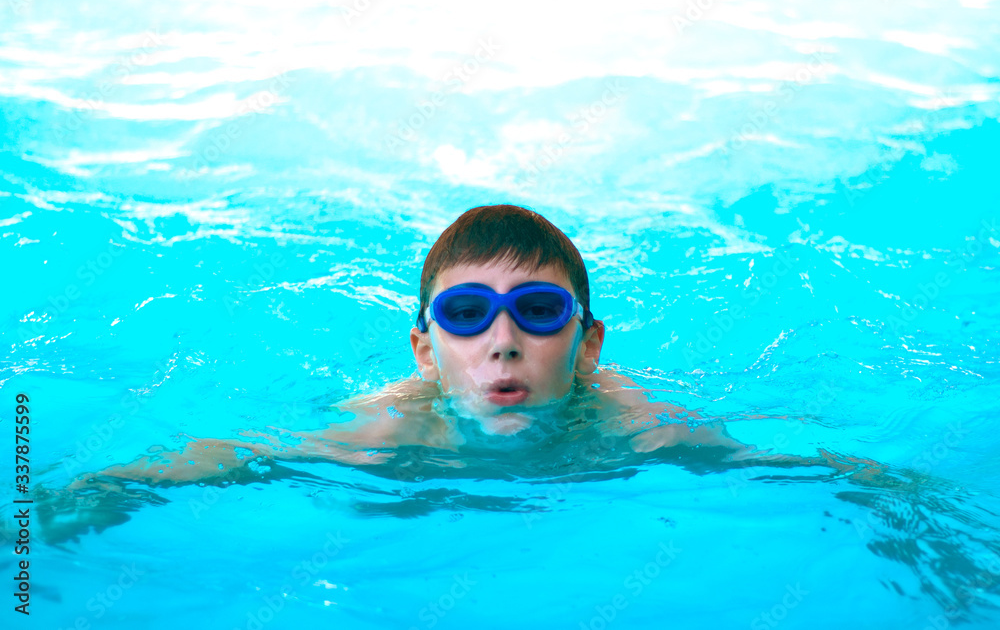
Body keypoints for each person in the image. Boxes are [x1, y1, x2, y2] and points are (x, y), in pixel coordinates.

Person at [45, 204, 872, 537]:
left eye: (539, 313)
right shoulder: (386, 430)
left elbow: (800, 462)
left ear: (587, 345)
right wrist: (98, 491)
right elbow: (238, 453)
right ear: (425, 347)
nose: (502, 341)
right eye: (467, 315)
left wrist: (904, 504)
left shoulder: (637, 425)